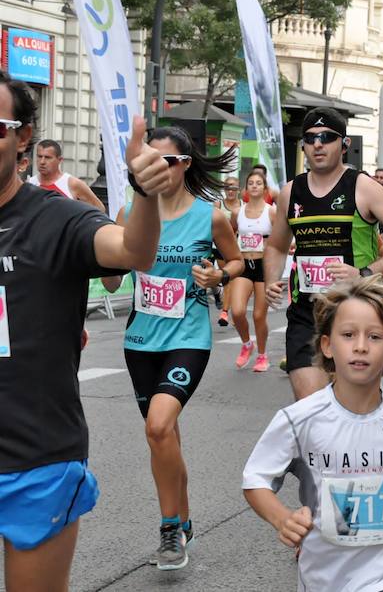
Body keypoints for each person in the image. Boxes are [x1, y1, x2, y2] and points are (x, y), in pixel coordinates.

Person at [0, 69, 166, 590]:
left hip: (34, 458)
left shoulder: (55, 218)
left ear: (23, 137)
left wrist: (144, 193)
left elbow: (134, 251)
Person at [243, 276, 383, 592]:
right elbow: (256, 479)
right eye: (348, 334)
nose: (361, 346)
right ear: (327, 345)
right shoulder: (300, 419)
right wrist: (281, 518)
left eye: (375, 336)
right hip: (323, 573)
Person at [101, 126, 244, 570]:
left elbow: (237, 260)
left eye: (165, 162)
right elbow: (111, 277)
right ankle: (183, 519)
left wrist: (219, 276)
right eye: (148, 162)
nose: (156, 170)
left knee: (160, 428)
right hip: (140, 340)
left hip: (187, 337)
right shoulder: (130, 213)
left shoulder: (210, 216)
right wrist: (105, 266)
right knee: (165, 437)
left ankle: (169, 530)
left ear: (184, 165)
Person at [264, 107, 383, 401]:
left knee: (350, 405)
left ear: (344, 144)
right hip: (306, 313)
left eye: (327, 137)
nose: (318, 144)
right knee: (310, 405)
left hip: (356, 312)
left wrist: (363, 274)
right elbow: (276, 245)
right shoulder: (290, 192)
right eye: (310, 138)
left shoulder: (364, 188)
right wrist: (271, 280)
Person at [231, 169, 277, 372]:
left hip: (263, 267)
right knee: (238, 311)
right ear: (246, 189)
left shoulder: (271, 212)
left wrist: (270, 244)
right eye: (251, 183)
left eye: (259, 183)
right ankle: (246, 344)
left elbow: (283, 238)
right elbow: (230, 232)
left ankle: (262, 355)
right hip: (244, 264)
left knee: (259, 315)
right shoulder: (237, 212)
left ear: (265, 188)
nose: (255, 186)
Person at [27, 139, 105, 211]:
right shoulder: (29, 183)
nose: (42, 162)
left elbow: (100, 209)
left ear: (59, 160)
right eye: (39, 156)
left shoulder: (72, 184)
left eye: (47, 157)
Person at [214, 176, 242, 326]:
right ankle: (220, 298)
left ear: (238, 190)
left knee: (229, 279)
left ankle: (225, 312)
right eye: (227, 188)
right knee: (225, 278)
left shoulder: (244, 206)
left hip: (237, 249)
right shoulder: (218, 204)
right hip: (219, 248)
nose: (230, 191)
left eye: (233, 188)